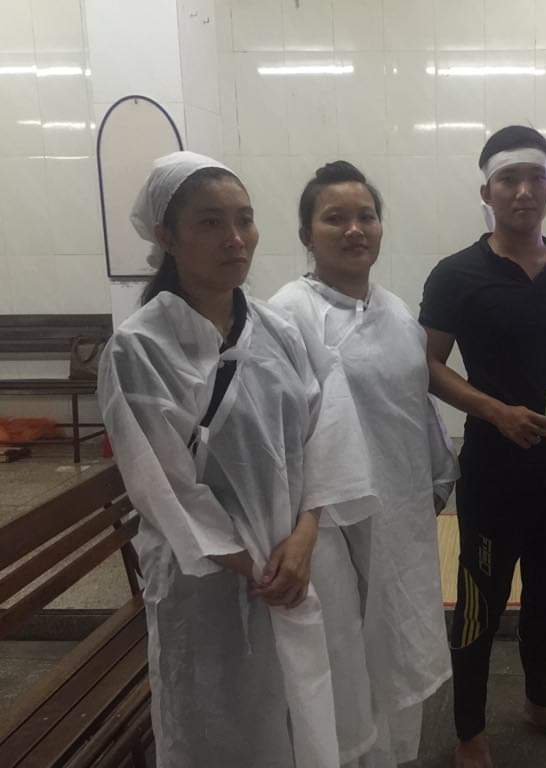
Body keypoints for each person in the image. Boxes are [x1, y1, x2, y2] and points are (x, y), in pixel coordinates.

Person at [99, 151, 382, 768]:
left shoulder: (280, 331)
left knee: (303, 713)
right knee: (223, 726)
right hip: (211, 583)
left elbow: (326, 434)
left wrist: (303, 538)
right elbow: (164, 487)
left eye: (244, 220)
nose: (235, 239)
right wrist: (258, 567)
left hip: (296, 563)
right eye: (210, 223)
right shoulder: (139, 349)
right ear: (167, 236)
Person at [419, 126, 546, 768]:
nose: (524, 191)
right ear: (488, 192)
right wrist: (495, 411)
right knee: (480, 598)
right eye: (509, 179)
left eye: (536, 178)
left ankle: (541, 700)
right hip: (493, 467)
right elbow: (428, 365)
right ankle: (469, 730)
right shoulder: (456, 275)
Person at [271, 160, 457, 767]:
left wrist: (437, 475)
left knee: (395, 639)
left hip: (399, 509)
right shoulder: (289, 315)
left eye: (366, 216)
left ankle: (390, 757)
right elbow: (282, 429)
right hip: (325, 520)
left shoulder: (395, 311)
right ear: (307, 234)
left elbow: (415, 403)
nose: (355, 230)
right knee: (341, 654)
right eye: (336, 219)